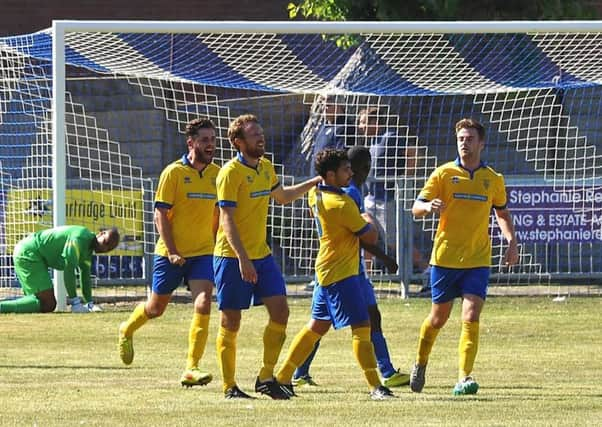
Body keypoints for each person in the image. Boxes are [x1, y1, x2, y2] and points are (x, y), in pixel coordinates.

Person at [213, 114, 321, 400]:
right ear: (238, 142)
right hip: (231, 257)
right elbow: (227, 219)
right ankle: (229, 387)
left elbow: (282, 196)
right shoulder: (230, 173)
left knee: (281, 312)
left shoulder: (265, 167)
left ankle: (266, 376)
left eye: (261, 132)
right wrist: (242, 259)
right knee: (231, 322)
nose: (261, 138)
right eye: (253, 134)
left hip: (262, 255)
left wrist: (314, 181)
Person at [409, 118, 519, 395]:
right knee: (438, 319)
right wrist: (428, 206)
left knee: (471, 315)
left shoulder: (493, 179)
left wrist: (511, 241)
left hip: (478, 260)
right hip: (445, 258)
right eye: (461, 138)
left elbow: (502, 213)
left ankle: (464, 377)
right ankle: (421, 362)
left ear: (481, 143)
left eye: (470, 138)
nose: (464, 143)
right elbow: (415, 207)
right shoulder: (443, 174)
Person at [275, 148, 395, 401]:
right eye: (345, 170)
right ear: (330, 175)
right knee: (362, 327)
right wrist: (367, 216)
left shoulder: (315, 194)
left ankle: (283, 377)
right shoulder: (341, 204)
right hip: (341, 273)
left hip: (326, 270)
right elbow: (370, 236)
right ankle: (376, 386)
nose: (350, 173)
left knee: (316, 327)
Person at [118, 118, 220, 389]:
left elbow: (217, 213)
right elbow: (160, 214)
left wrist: (217, 241)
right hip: (170, 254)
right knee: (156, 308)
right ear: (191, 143)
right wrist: (173, 251)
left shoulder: (217, 174)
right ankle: (127, 329)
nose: (211, 145)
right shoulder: (173, 173)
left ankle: (191, 367)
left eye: (213, 139)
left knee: (204, 302)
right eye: (205, 140)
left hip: (202, 254)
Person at [0, 225, 119, 313]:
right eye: (106, 242)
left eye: (109, 248)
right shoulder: (80, 238)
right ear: (101, 233)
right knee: (48, 304)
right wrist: (75, 302)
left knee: (36, 301)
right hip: (29, 253)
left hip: (31, 254)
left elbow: (85, 276)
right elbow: (68, 269)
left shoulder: (88, 249)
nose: (105, 248)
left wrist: (89, 304)